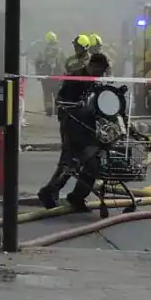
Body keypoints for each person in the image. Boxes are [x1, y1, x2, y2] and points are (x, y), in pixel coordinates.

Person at [38, 50, 112, 212]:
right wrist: (78, 107)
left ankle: (77, 197)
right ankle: (49, 192)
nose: (102, 74)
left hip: (88, 128)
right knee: (70, 163)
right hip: (72, 126)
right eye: (101, 70)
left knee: (92, 164)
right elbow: (61, 101)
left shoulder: (93, 81)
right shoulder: (75, 78)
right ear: (94, 66)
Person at [33, 32, 63, 117]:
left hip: (46, 78)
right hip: (57, 78)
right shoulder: (60, 51)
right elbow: (65, 63)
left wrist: (38, 75)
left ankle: (49, 109)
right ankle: (57, 110)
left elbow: (37, 63)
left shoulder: (42, 52)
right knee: (57, 94)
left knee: (47, 94)